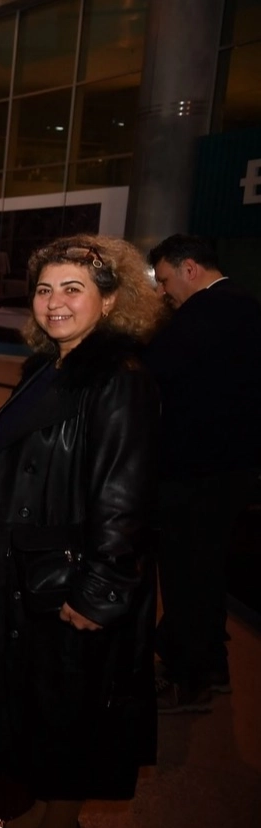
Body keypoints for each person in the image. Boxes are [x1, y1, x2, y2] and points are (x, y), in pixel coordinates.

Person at [0, 235, 164, 828]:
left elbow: (125, 497)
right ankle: (43, 809)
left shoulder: (118, 378)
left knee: (71, 709)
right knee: (39, 705)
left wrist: (99, 592)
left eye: (73, 289)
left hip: (71, 578)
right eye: (44, 290)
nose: (54, 303)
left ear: (111, 300)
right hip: (30, 574)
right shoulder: (50, 367)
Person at [143, 234, 261, 711]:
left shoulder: (200, 314)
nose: (162, 292)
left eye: (164, 280)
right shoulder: (247, 306)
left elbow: (150, 371)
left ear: (189, 268)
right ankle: (213, 666)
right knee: (209, 571)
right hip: (234, 471)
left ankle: (187, 680)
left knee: (185, 576)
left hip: (193, 474)